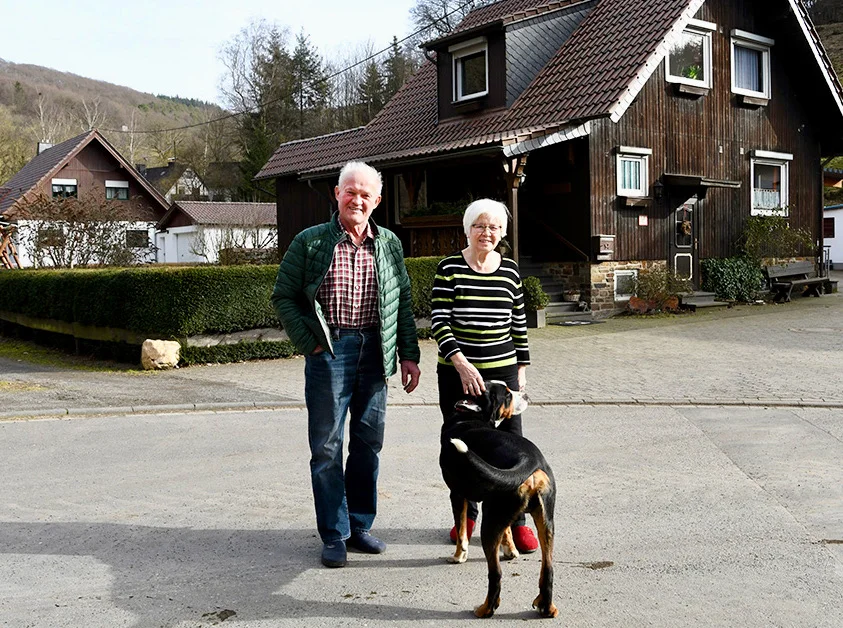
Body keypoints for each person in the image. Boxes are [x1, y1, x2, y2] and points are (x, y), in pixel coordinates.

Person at [271, 161, 421, 568]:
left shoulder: (389, 243)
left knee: (369, 443)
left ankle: (360, 526)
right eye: (349, 191)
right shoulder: (311, 241)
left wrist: (409, 354)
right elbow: (283, 296)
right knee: (327, 447)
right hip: (330, 351)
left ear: (377, 200)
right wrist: (310, 343)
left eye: (365, 194)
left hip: (376, 351)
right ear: (337, 193)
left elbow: (401, 302)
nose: (357, 199)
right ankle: (334, 533)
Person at [431, 198, 538, 553]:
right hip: (458, 373)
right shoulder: (449, 268)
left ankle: (516, 520)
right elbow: (439, 321)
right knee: (462, 445)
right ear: (467, 229)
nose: (486, 233)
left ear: (502, 233)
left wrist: (521, 369)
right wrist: (460, 362)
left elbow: (519, 324)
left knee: (511, 447)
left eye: (494, 227)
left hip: (502, 370)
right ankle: (467, 515)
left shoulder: (509, 271)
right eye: (480, 225)